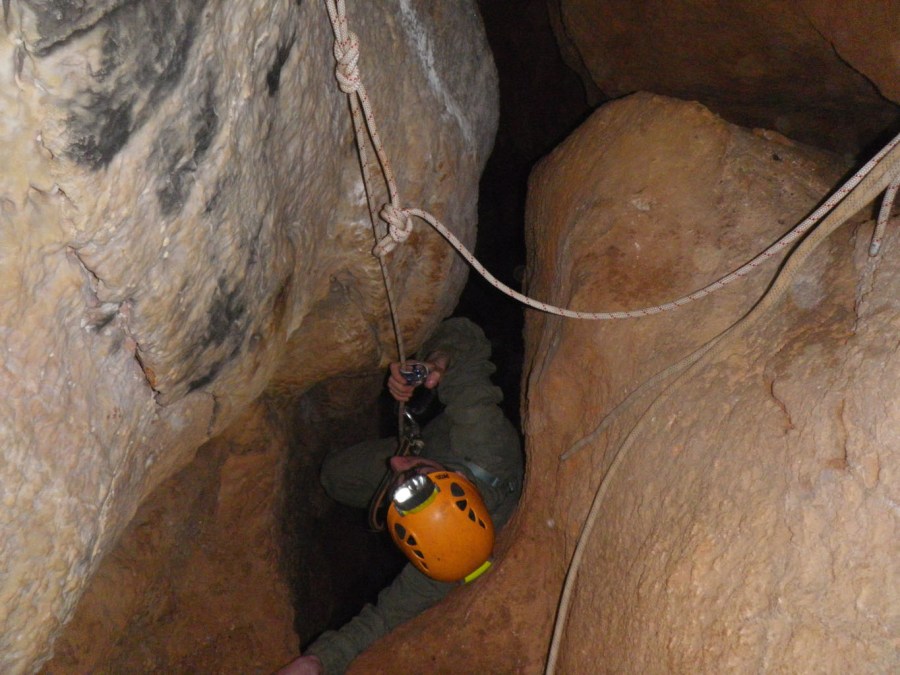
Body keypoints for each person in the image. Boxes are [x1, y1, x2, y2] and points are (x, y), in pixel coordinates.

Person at [276, 317, 523, 675]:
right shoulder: (484, 440)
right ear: (455, 480)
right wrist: (437, 363)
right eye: (417, 477)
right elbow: (466, 334)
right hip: (448, 442)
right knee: (335, 475)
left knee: (337, 478)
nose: (395, 462)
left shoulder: (443, 564)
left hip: (437, 465)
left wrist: (315, 661)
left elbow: (382, 620)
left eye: (400, 497)